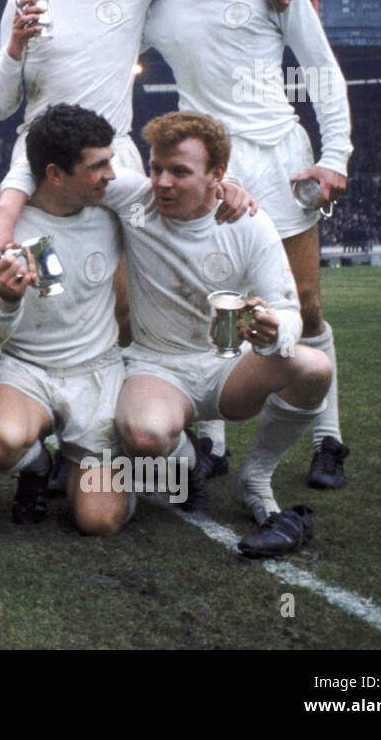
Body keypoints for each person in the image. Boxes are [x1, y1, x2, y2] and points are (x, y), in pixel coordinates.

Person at [141, 0, 353, 489]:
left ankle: (328, 438)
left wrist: (335, 156)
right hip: (203, 169)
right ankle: (211, 442)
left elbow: (321, 70)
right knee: (212, 301)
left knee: (304, 305)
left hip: (278, 161)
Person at [0, 0, 297, 262]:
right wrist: (14, 48)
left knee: (130, 292)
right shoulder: (25, 2)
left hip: (115, 160)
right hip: (41, 163)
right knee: (47, 288)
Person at [103, 112, 332, 557]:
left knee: (313, 367)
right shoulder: (136, 201)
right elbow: (68, 178)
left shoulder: (248, 221)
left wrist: (274, 328)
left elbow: (289, 312)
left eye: (180, 172)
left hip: (229, 369)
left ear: (218, 176)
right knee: (145, 439)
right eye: (156, 168)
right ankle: (184, 464)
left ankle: (255, 480)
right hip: (157, 367)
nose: (163, 183)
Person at [0, 105, 132, 535]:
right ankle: (38, 465)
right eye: (98, 166)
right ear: (55, 174)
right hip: (27, 370)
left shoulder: (115, 211)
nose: (111, 175)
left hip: (97, 371)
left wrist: (227, 187)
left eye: (110, 162)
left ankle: (177, 458)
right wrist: (5, 297)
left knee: (99, 522)